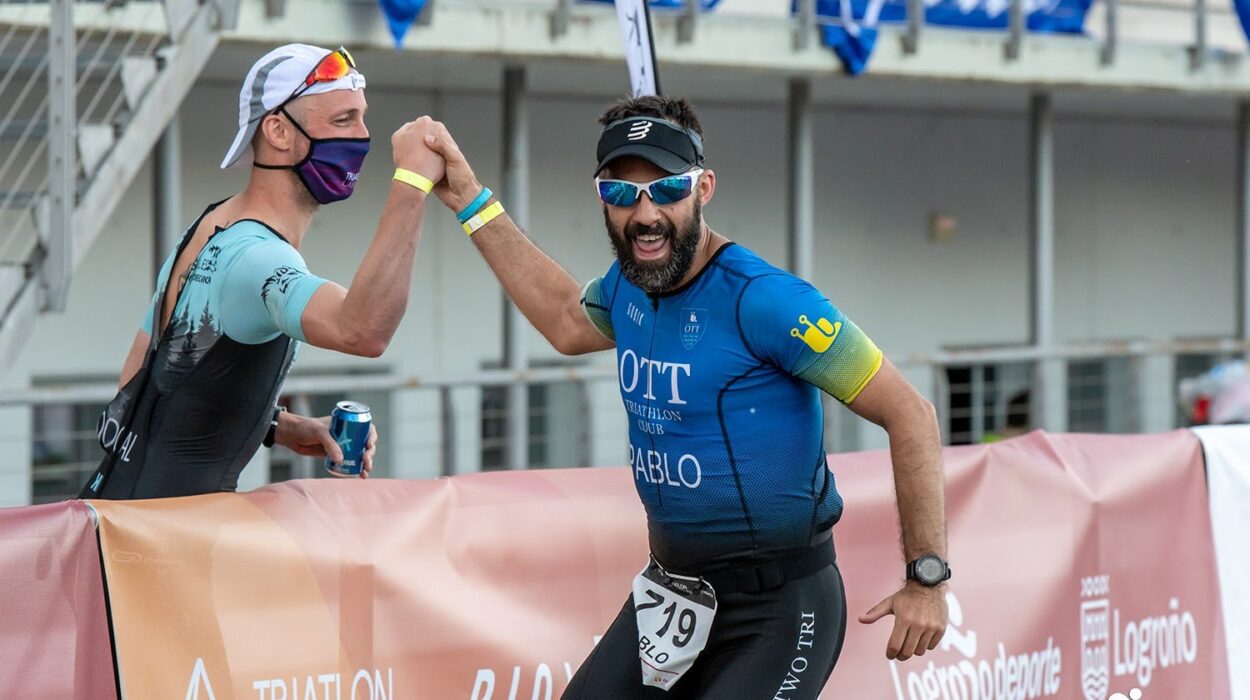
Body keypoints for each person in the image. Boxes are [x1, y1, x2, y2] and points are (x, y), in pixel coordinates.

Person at [417, 95, 950, 698]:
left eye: (666, 189)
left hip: (778, 608)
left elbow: (911, 412)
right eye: (621, 194)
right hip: (673, 591)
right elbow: (566, 320)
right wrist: (467, 200)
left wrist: (926, 579)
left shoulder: (766, 300)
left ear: (704, 188)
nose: (645, 215)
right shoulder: (627, 287)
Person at [81, 44, 445, 500]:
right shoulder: (260, 259)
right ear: (277, 130)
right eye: (342, 120)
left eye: (361, 117)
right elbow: (363, 331)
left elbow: (144, 378)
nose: (363, 136)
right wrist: (413, 184)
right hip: (164, 546)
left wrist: (273, 424)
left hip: (116, 514)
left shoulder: (214, 223)